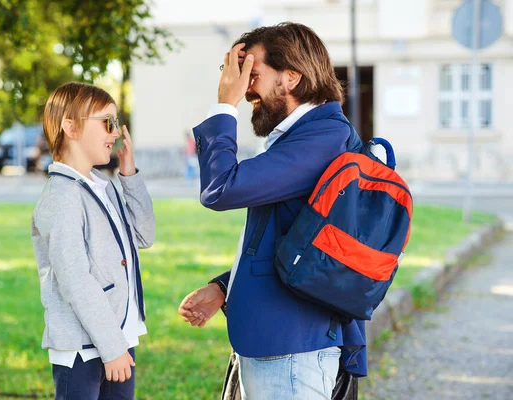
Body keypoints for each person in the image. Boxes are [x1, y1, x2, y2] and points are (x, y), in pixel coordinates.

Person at [178, 23, 367, 400]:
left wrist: (224, 105)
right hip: (280, 346)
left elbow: (221, 188)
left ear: (291, 77)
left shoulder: (323, 138)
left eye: (252, 71)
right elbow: (294, 242)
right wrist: (222, 287)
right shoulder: (302, 138)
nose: (244, 84)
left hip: (293, 352)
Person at [32, 82, 155, 400]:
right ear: (71, 128)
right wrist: (112, 348)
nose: (115, 132)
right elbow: (75, 280)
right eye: (107, 122)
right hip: (83, 348)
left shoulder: (105, 185)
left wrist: (129, 176)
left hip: (117, 336)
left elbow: (144, 235)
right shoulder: (62, 197)